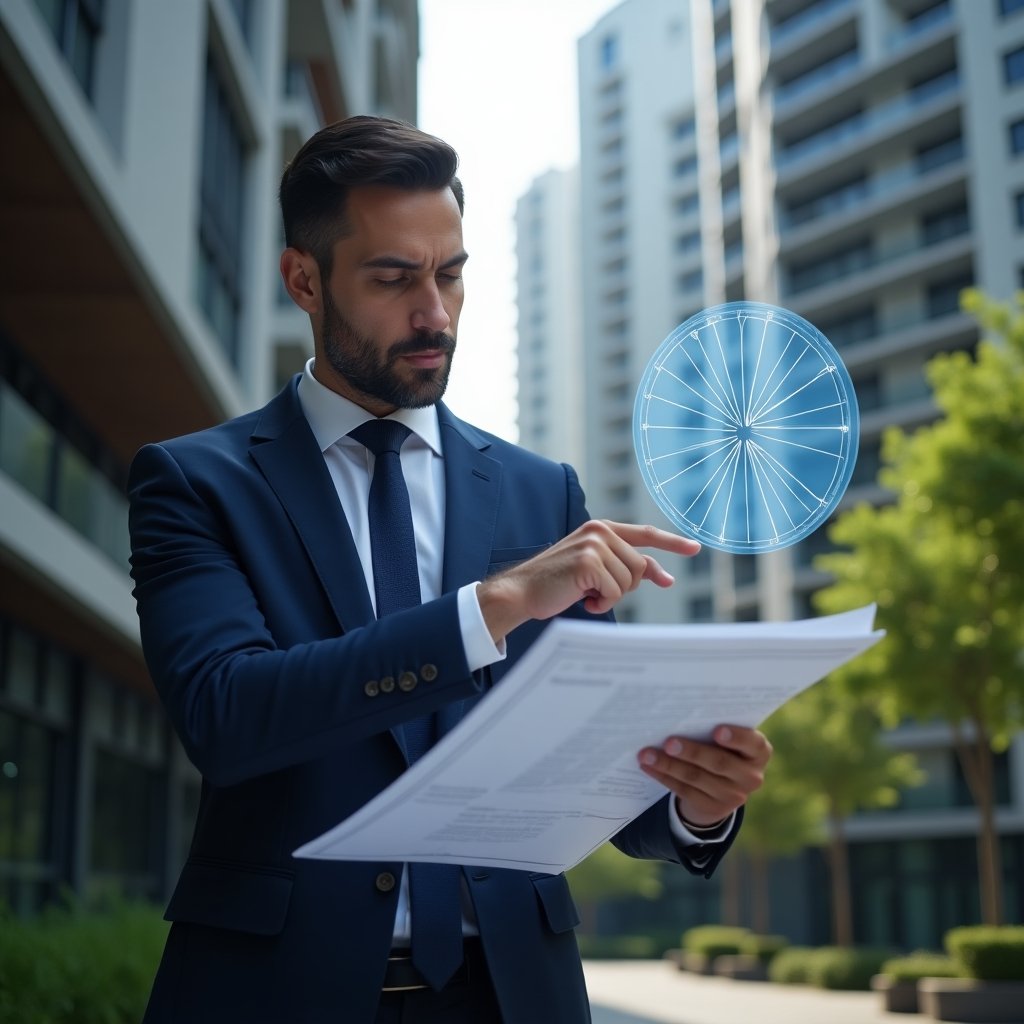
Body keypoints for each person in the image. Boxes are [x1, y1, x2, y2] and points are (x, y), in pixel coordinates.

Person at [128, 115, 772, 1024]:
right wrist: (491, 608)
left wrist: (694, 801)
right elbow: (227, 717)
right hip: (275, 993)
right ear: (303, 280)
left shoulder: (542, 492)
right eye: (394, 278)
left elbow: (596, 779)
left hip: (515, 996)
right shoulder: (198, 482)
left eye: (452, 274)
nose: (433, 312)